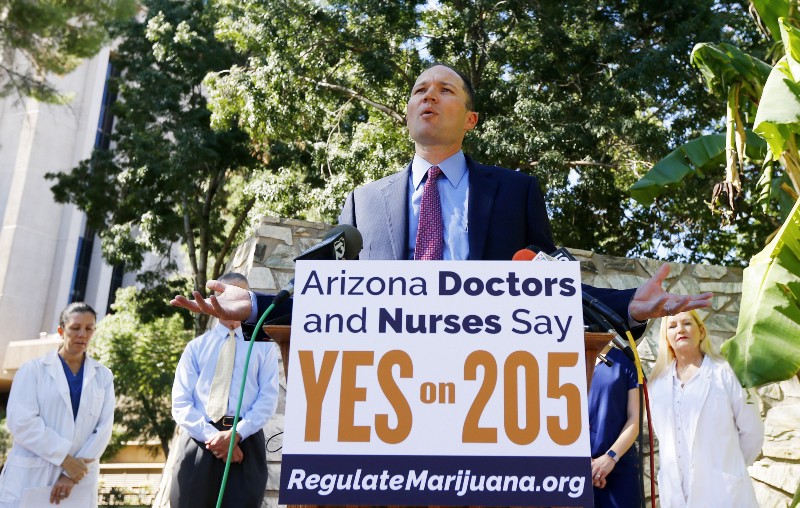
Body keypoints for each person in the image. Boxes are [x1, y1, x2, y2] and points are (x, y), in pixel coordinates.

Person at [170, 63, 713, 326]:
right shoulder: (364, 202)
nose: (429, 95)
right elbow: (338, 295)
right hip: (390, 385)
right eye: (418, 90)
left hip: (488, 382)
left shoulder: (518, 192)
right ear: (407, 114)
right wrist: (258, 306)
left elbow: (548, 284)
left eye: (445, 89)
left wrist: (627, 306)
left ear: (470, 118)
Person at [170, 272, 280, 508]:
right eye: (226, 296)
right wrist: (214, 438)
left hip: (245, 443)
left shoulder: (264, 348)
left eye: (241, 296)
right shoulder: (196, 348)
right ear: (213, 299)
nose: (233, 302)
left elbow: (267, 399)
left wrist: (236, 434)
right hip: (201, 440)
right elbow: (181, 403)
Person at [0, 302, 114, 507]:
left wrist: (71, 473)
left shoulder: (103, 376)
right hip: (32, 473)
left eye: (89, 329)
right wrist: (63, 459)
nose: (82, 334)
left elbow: (103, 429)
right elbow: (22, 421)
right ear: (61, 331)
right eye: (75, 328)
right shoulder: (32, 370)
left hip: (79, 478)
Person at [648, 310, 763, 507]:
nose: (680, 330)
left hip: (723, 492)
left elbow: (753, 431)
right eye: (672, 326)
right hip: (677, 493)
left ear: (701, 331)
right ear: (666, 338)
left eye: (687, 323)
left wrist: (728, 467)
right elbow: (662, 435)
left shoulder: (725, 373)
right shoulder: (656, 384)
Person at [588, 343, 640, 507]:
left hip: (620, 470)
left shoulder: (625, 360)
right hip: (575, 473)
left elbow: (635, 418)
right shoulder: (561, 361)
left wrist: (611, 457)